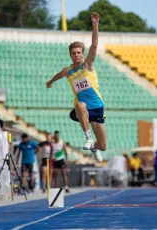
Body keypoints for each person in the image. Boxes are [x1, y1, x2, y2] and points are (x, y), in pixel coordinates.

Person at [46, 12, 104, 163]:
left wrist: (95, 25)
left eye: (79, 52)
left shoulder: (87, 65)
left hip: (97, 107)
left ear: (82, 54)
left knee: (103, 145)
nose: (77, 55)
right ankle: (88, 138)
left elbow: (95, 45)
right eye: (74, 53)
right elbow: (59, 74)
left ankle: (94, 147)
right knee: (80, 104)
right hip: (81, 109)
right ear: (71, 55)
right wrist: (50, 82)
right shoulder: (68, 70)